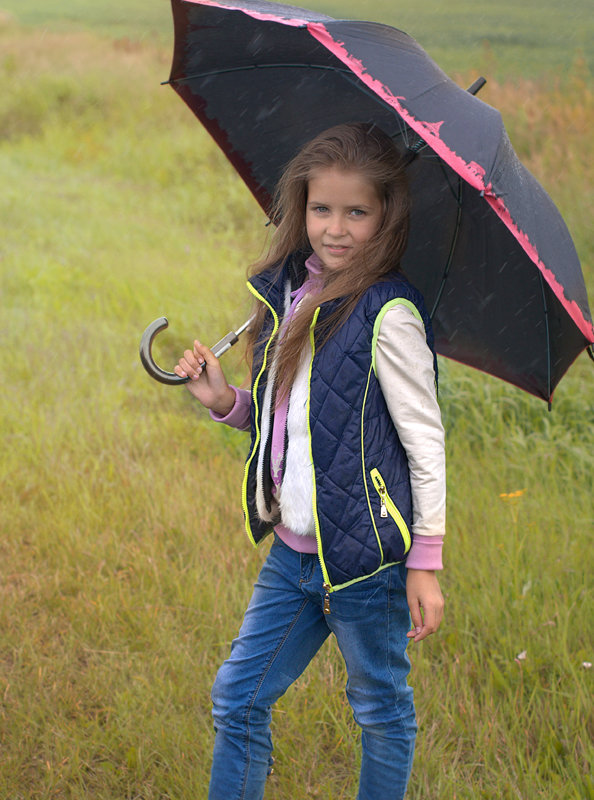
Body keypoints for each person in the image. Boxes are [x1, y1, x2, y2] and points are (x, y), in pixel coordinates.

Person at [175, 123, 446, 800]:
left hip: (365, 562)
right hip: (293, 557)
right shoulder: (289, 294)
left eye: (357, 211)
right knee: (237, 697)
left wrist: (425, 563)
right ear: (300, 208)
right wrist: (225, 401)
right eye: (322, 208)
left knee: (380, 711)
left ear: (386, 216)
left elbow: (425, 443)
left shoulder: (390, 314)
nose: (336, 227)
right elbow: (290, 419)